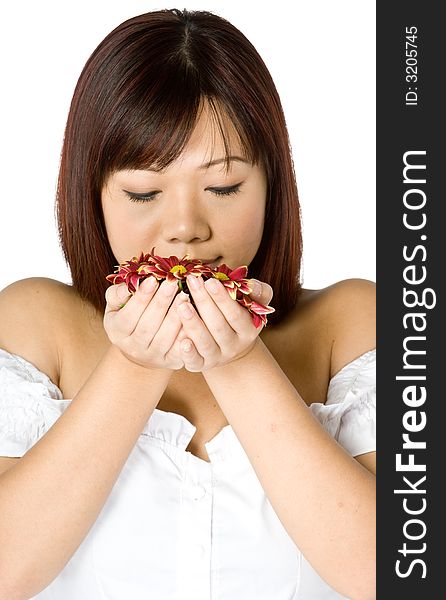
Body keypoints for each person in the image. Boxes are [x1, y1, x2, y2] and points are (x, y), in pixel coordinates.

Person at [0, 8, 376, 600]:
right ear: (91, 192)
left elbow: (392, 573)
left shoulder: (351, 323)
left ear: (273, 184)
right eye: (144, 192)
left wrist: (238, 360)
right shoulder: (33, 323)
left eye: (223, 187)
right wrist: (133, 366)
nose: (184, 228)